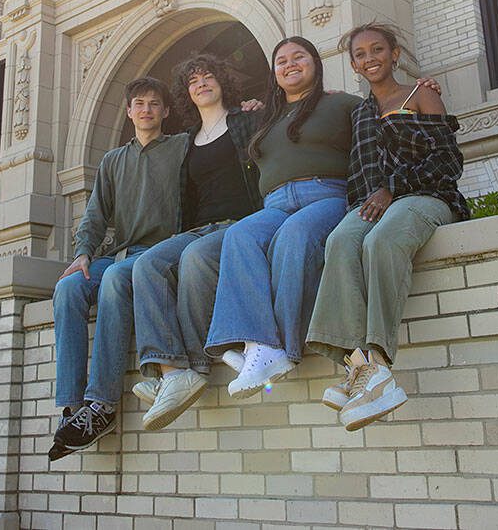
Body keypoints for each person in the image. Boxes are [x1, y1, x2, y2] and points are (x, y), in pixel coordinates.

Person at [306, 22, 467, 431]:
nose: (370, 58)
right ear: (354, 65)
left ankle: (377, 364)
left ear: (394, 54)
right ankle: (355, 364)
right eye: (360, 54)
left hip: (426, 199)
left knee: (381, 240)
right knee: (341, 241)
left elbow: (449, 163)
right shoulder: (358, 112)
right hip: (371, 204)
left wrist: (392, 189)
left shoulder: (422, 94)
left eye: (378, 49)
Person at [200, 35, 362, 396]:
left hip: (326, 194)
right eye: (281, 61)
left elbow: (381, 120)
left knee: (296, 234)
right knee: (239, 236)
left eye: (298, 57)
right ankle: (257, 344)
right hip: (275, 203)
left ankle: (282, 348)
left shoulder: (343, 104)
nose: (290, 64)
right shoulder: (266, 117)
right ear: (274, 74)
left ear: (315, 64)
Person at [49, 77, 186, 461]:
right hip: (121, 254)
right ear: (129, 111)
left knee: (112, 279)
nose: (146, 109)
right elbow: (94, 216)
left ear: (165, 111)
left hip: (160, 254)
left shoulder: (181, 147)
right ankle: (73, 407)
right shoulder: (113, 160)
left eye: (154, 104)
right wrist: (82, 254)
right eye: (139, 103)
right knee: (69, 289)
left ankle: (103, 404)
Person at [130, 54, 264, 429]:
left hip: (239, 223)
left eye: (208, 76)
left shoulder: (245, 119)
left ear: (222, 81)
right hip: (197, 228)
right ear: (186, 94)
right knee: (147, 264)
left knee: (195, 258)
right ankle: (170, 370)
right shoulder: (186, 141)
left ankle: (195, 365)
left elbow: (287, 116)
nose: (201, 83)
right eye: (193, 81)